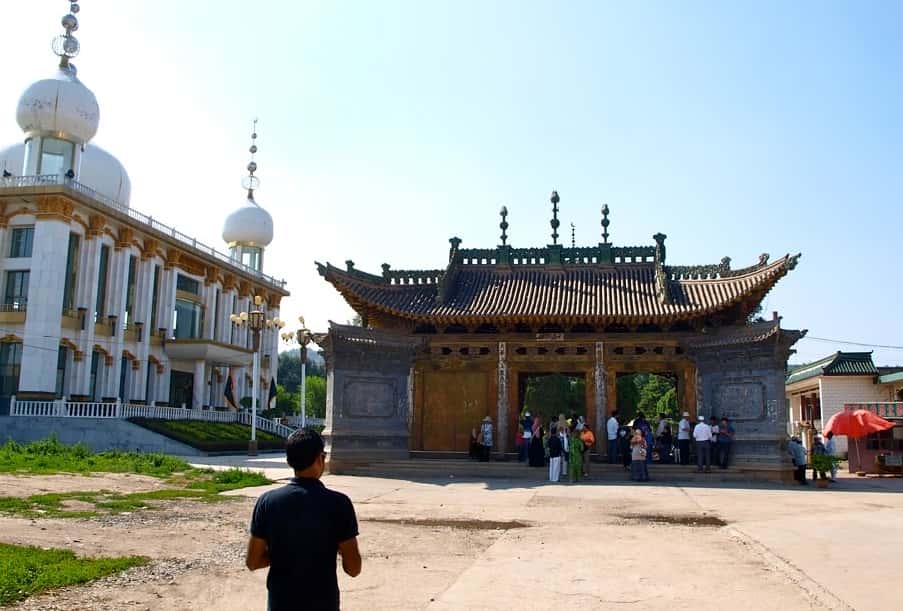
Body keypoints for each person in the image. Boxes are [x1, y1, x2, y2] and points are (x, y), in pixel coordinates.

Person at [246, 428, 361, 611]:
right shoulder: (339, 504)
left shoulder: (267, 502)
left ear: (289, 461)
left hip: (280, 604)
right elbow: (354, 568)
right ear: (320, 459)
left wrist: (280, 554)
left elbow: (253, 562)